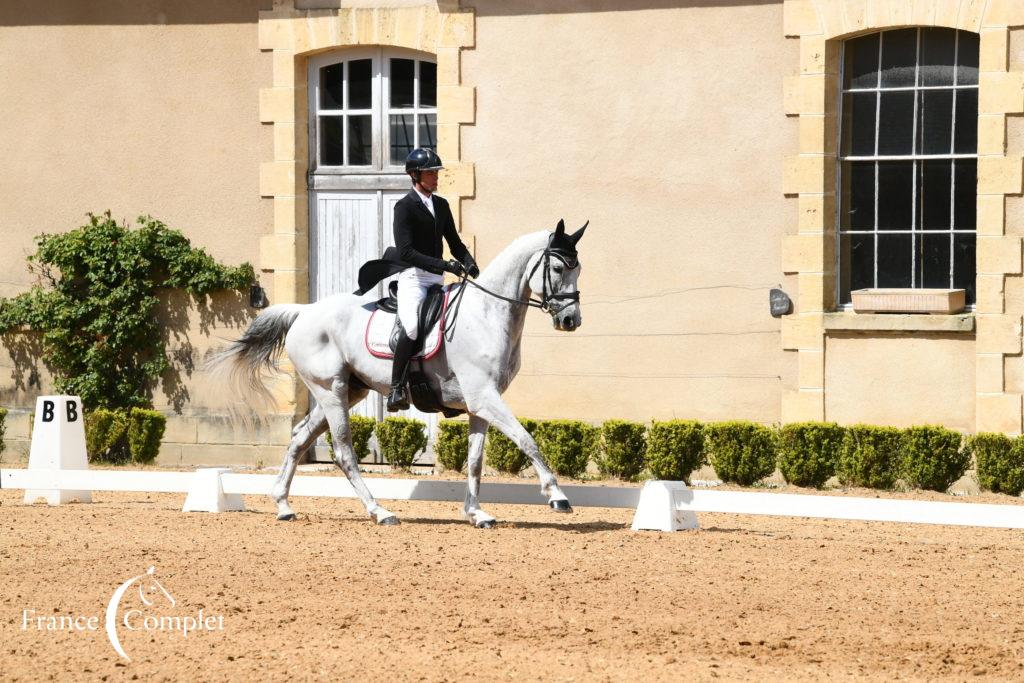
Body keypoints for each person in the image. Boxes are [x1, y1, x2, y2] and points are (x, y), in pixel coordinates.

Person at [387, 148, 480, 412]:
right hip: (413, 278)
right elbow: (406, 252)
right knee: (414, 326)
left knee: (452, 326)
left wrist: (470, 264)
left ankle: (446, 388)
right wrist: (444, 265)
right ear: (415, 175)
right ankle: (396, 389)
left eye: (436, 172)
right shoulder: (404, 207)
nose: (435, 177)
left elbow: (455, 243)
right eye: (430, 172)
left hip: (436, 279)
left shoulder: (441, 205)